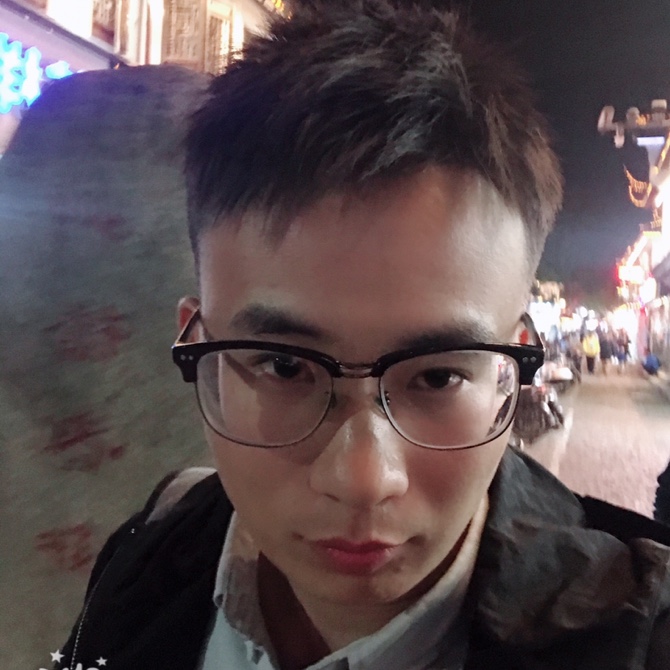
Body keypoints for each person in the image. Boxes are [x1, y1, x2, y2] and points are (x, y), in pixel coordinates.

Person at [57, 2, 670, 669]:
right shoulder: (146, 559)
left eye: (437, 376)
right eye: (284, 367)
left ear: (512, 369)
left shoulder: (638, 639)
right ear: (196, 344)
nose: (362, 480)